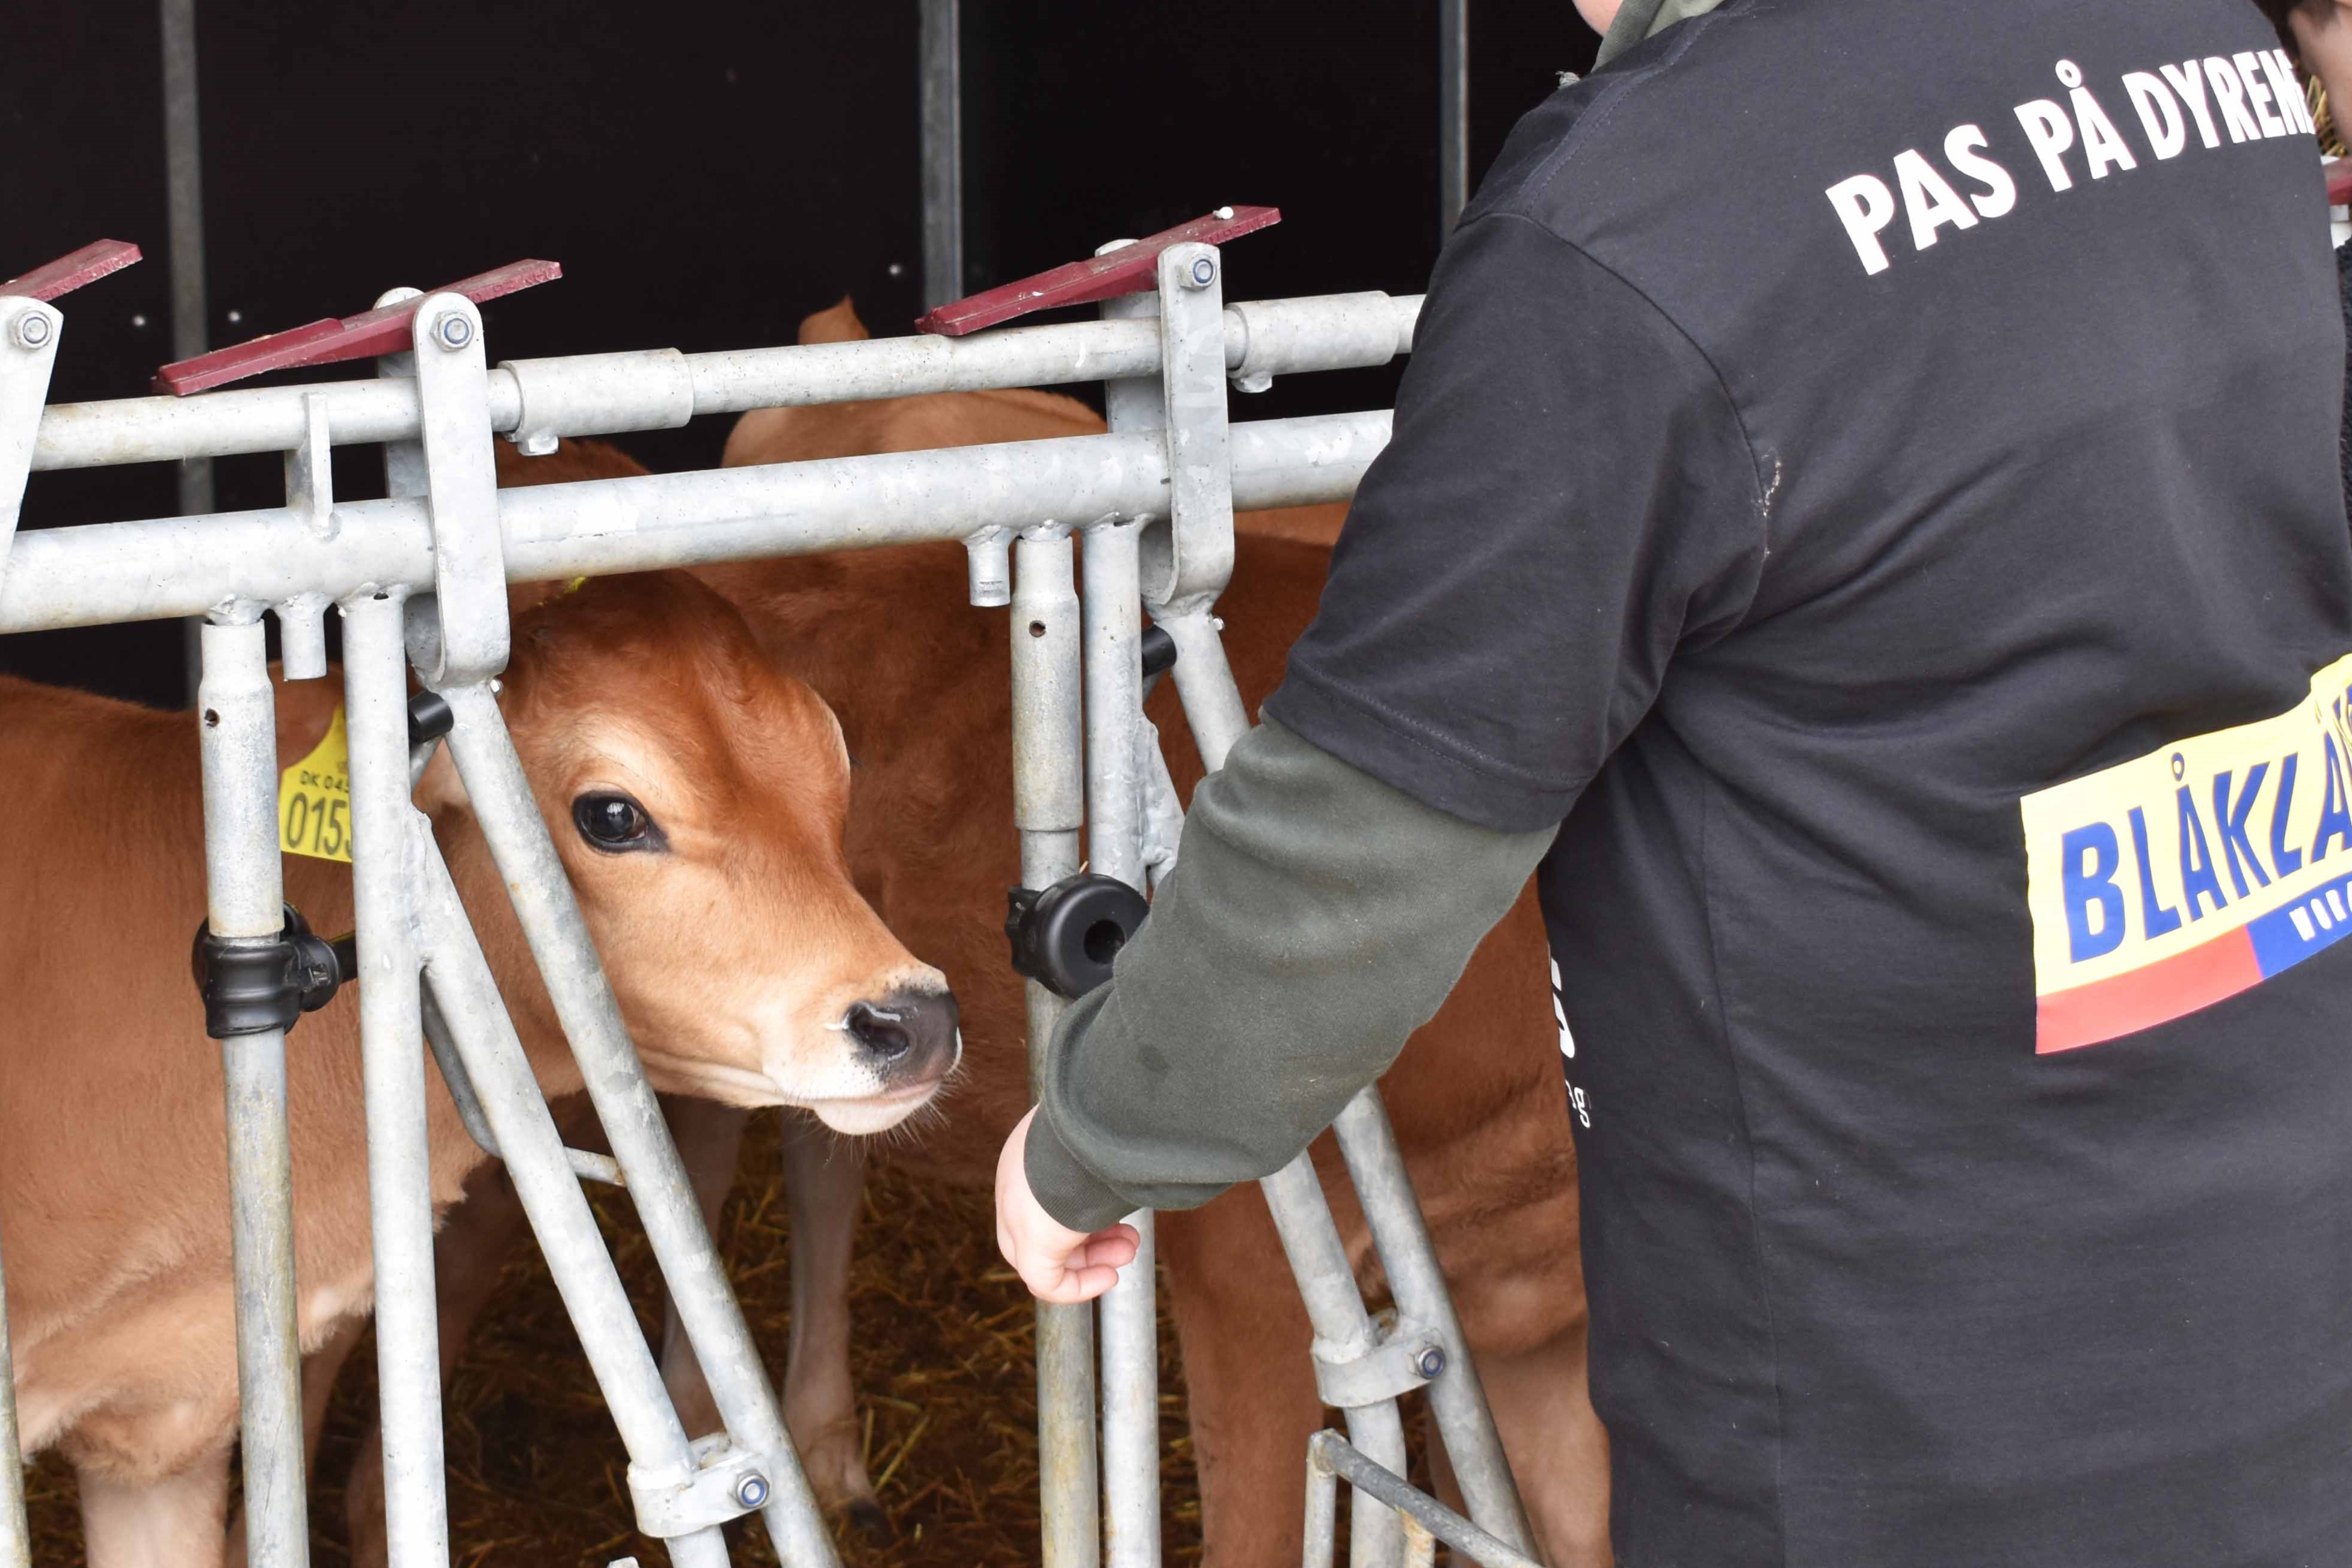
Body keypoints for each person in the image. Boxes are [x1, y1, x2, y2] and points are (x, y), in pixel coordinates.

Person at [996, 0, 2352, 1560]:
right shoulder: (2197, 44)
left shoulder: (1633, 226)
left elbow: (1360, 844)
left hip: (1898, 1431)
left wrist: (1090, 1137)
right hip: (2292, 1315)